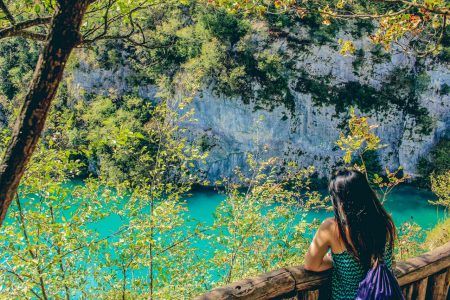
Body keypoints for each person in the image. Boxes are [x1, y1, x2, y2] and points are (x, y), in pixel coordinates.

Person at [304, 168, 396, 300]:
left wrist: (335, 260)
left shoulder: (331, 228)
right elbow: (390, 262)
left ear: (339, 199)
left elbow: (311, 265)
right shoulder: (385, 223)